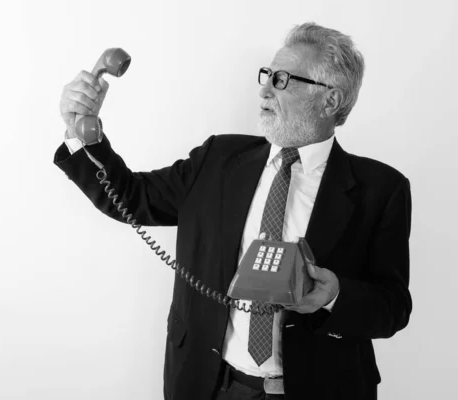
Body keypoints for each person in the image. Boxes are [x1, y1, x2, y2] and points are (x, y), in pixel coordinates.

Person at [54, 22, 412, 400]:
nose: (264, 90)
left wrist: (335, 296)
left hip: (320, 386)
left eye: (282, 80)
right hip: (211, 384)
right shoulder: (218, 158)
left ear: (330, 100)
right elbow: (129, 196)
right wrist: (80, 131)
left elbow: (393, 307)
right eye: (267, 75)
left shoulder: (381, 189)